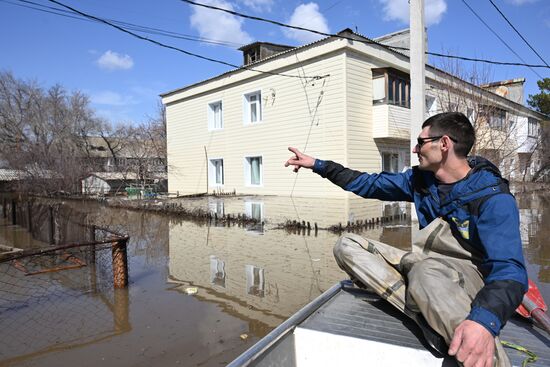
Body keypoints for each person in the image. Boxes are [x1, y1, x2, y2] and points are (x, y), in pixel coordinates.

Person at [285, 112, 528, 367]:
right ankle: (428, 317)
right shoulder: (421, 182)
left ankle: (487, 358)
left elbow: (510, 271)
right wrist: (318, 165)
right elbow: (368, 184)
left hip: (466, 280)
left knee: (425, 272)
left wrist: (483, 321)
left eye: (421, 142)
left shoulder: (493, 198)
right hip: (427, 266)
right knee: (347, 245)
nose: (415, 148)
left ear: (444, 144)